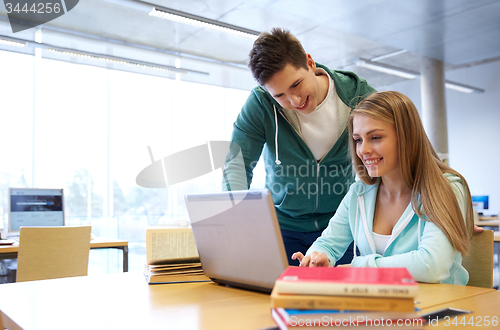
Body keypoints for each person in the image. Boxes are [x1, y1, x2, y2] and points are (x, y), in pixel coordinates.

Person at [222, 27, 376, 266]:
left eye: (296, 84)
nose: (294, 101)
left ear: (310, 63)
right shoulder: (261, 104)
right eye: (280, 95)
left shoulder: (358, 96)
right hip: (282, 229)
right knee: (276, 297)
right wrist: (238, 220)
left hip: (340, 230)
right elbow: (237, 164)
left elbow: (393, 149)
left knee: (340, 299)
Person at [292, 91, 475, 285]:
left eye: (376, 137)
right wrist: (316, 258)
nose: (363, 150)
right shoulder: (359, 192)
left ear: (406, 137)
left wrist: (359, 266)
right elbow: (327, 244)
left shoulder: (448, 187)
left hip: (440, 310)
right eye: (358, 140)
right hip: (381, 307)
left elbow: (431, 266)